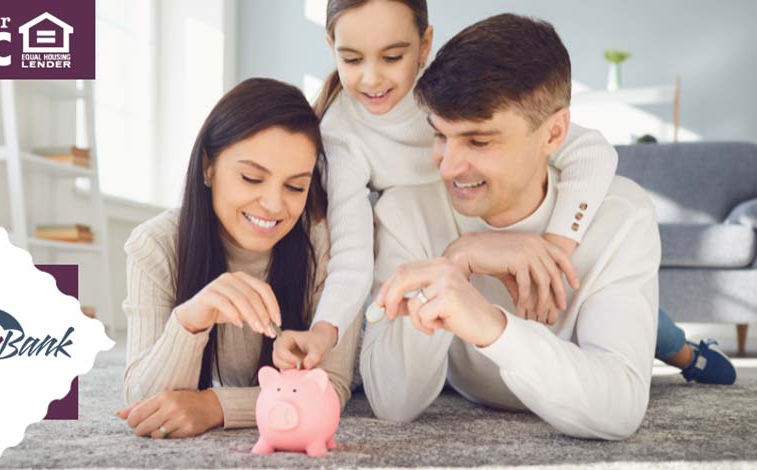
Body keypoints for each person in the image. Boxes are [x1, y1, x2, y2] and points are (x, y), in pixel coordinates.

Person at [276, 0, 735, 387]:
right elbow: (352, 255)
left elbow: (592, 152)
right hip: (440, 237)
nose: (372, 79)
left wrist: (552, 249)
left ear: (425, 45)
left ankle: (683, 352)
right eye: (352, 59)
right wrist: (324, 331)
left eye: (392, 57)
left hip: (511, 221)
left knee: (614, 305)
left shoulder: (453, 93)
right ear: (331, 47)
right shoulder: (341, 134)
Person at [361, 13, 661, 439]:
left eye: (479, 141)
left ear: (553, 134)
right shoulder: (405, 210)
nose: (447, 167)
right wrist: (453, 264)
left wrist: (492, 327)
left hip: (620, 295)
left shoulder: (622, 216)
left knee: (665, 338)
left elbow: (619, 409)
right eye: (440, 136)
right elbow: (393, 403)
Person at [115, 78, 361, 439]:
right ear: (208, 166)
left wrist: (215, 406)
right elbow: (145, 403)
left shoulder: (326, 243)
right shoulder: (155, 245)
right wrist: (191, 320)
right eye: (251, 178)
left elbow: (331, 388)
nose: (274, 205)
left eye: (295, 186)